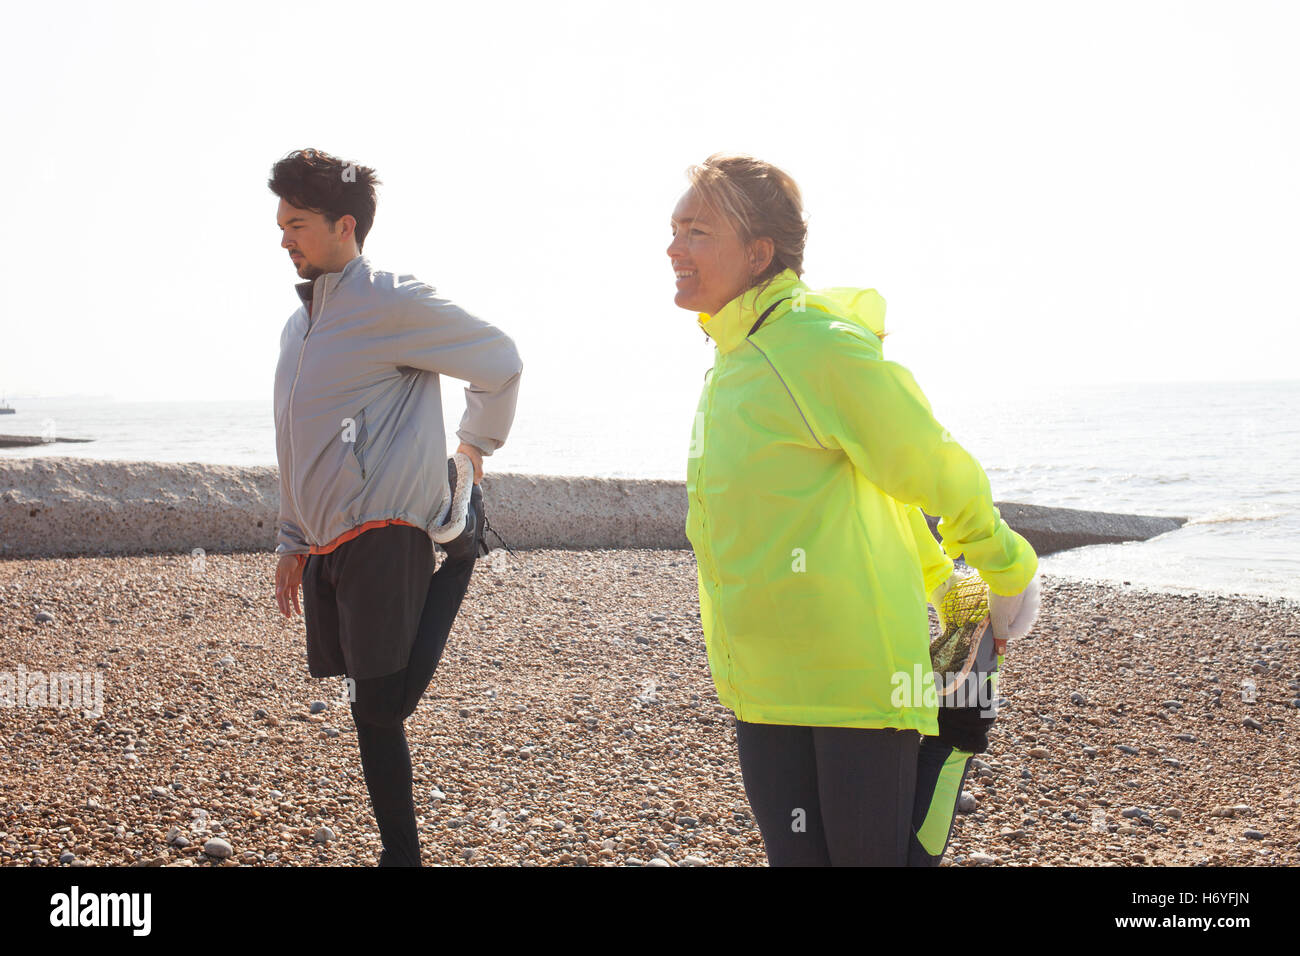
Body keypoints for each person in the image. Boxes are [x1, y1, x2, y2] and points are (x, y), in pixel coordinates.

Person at [672, 153, 1040, 866]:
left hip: (855, 684)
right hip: (763, 685)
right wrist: (942, 580)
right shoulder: (735, 362)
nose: (673, 248)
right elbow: (868, 488)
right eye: (675, 229)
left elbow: (923, 461)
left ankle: (954, 749)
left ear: (758, 253)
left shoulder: (816, 345)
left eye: (696, 231)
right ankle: (957, 734)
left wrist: (1003, 565)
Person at [269, 148, 523, 866]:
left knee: (381, 704)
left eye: (297, 224)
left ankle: (463, 552)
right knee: (366, 706)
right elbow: (295, 437)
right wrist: (292, 536)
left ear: (344, 225)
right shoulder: (300, 324)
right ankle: (401, 855)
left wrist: (473, 450)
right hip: (328, 541)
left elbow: (498, 358)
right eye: (280, 223)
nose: (283, 237)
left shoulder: (387, 297)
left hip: (385, 528)